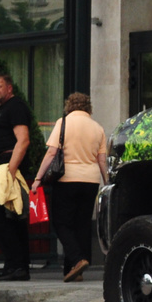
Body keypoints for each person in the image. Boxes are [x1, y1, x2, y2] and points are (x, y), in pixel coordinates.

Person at [33, 92, 108, 282]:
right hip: (91, 181)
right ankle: (74, 271)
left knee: (61, 223)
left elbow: (51, 153)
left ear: (69, 106)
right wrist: (107, 182)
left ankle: (77, 259)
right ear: (88, 107)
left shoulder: (63, 122)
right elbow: (102, 160)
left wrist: (38, 178)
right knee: (81, 224)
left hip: (67, 179)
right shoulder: (98, 128)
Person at [0, 72, 33, 282]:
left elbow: (23, 141)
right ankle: (14, 265)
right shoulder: (3, 109)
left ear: (9, 88)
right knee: (9, 216)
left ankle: (17, 266)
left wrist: (10, 171)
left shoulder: (15, 107)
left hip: (7, 164)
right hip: (3, 164)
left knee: (3, 215)